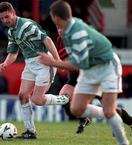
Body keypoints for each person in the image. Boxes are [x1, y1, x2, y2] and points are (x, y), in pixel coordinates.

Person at [38, 1, 129, 144]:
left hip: (107, 66)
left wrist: (52, 62)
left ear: (56, 17)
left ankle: (123, 141)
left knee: (108, 111)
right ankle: (113, 113)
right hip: (89, 69)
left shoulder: (77, 32)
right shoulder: (66, 32)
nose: (53, 21)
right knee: (76, 109)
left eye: (52, 17)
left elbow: (79, 64)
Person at [0, 2, 69, 139]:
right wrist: (5, 63)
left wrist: (57, 61)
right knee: (22, 95)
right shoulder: (11, 31)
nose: (5, 20)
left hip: (43, 62)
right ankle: (30, 131)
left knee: (37, 99)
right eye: (1, 18)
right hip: (30, 64)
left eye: (6, 17)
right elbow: (13, 53)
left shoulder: (26, 25)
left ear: (13, 13)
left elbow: (47, 39)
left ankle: (65, 100)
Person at [57, 32, 132, 134]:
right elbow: (65, 60)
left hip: (94, 75)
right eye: (57, 27)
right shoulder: (60, 40)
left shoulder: (79, 37)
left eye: (61, 26)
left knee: (110, 110)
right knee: (63, 98)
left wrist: (55, 62)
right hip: (76, 76)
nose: (60, 30)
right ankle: (84, 117)